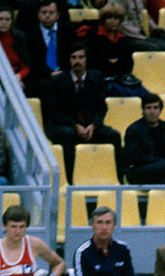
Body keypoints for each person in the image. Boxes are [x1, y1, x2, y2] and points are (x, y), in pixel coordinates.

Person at [42, 45, 122, 178]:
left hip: (88, 125)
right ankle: (69, 179)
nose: (77, 61)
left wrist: (94, 125)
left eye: (81, 57)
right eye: (73, 58)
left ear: (86, 60)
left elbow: (101, 107)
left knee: (114, 136)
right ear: (69, 60)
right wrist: (74, 125)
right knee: (68, 135)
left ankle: (118, 178)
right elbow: (53, 112)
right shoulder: (57, 81)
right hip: (64, 124)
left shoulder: (96, 77)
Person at [123, 92, 165, 185]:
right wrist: (163, 162)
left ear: (160, 110)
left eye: (155, 108)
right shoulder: (133, 130)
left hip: (164, 171)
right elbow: (136, 158)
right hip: (140, 172)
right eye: (148, 108)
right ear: (143, 110)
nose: (152, 112)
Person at [87, 4, 141, 95]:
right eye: (109, 18)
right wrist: (115, 62)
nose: (113, 21)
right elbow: (95, 62)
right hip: (101, 81)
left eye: (116, 18)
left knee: (142, 92)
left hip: (120, 79)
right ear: (103, 20)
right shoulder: (94, 36)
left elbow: (128, 64)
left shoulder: (123, 40)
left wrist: (112, 62)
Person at [0, 6, 31, 86]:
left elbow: (26, 66)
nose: (4, 22)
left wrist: (18, 77)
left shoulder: (20, 37)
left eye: (7, 19)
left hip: (17, 76)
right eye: (0, 19)